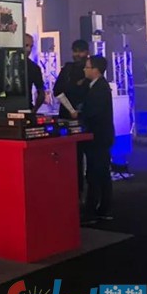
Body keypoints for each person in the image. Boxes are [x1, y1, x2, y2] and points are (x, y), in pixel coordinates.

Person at [77, 56, 115, 223]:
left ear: (96, 70)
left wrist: (79, 114)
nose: (84, 69)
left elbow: (93, 113)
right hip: (101, 137)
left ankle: (92, 211)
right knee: (101, 173)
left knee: (95, 174)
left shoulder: (99, 89)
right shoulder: (96, 86)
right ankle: (103, 209)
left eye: (87, 67)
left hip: (98, 137)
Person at [53, 39, 90, 197]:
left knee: (86, 155)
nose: (77, 54)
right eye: (75, 51)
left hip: (86, 117)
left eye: (80, 51)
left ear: (87, 52)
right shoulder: (67, 69)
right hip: (67, 117)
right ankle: (73, 191)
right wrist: (71, 110)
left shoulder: (90, 69)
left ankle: (85, 192)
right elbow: (57, 91)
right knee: (69, 155)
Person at [24, 34, 45, 112]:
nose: (29, 49)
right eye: (26, 45)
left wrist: (34, 110)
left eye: (31, 46)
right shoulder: (6, 63)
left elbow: (41, 93)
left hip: (26, 108)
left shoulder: (34, 67)